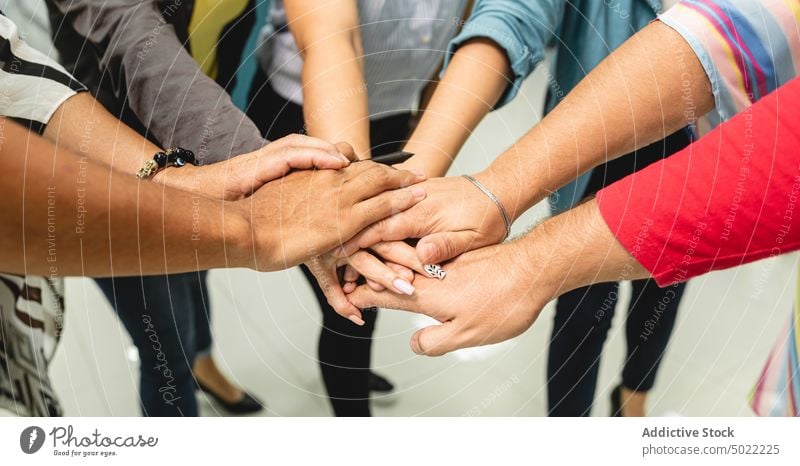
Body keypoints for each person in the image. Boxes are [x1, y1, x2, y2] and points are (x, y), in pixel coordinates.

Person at [339, 0, 800, 415]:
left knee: (661, 292)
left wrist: (525, 254)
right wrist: (422, 185)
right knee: (581, 311)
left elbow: (748, 46)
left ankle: (633, 399)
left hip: (697, 158)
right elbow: (515, 12)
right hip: (590, 158)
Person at [0, 9, 426, 416]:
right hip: (90, 173)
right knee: (166, 345)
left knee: (195, 287)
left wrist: (175, 177)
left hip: (177, 152)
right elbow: (130, 33)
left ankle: (205, 365)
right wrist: (253, 226)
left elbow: (14, 68)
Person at [246, 0, 469, 415]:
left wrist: (420, 130)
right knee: (351, 298)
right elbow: (332, 40)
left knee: (368, 290)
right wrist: (354, 199)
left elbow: (452, 46)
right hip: (305, 119)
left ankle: (354, 370)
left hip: (394, 118)